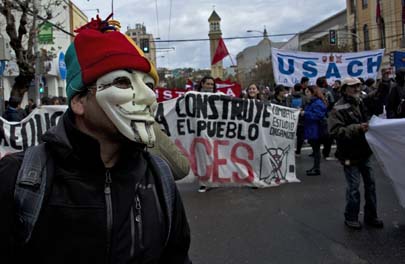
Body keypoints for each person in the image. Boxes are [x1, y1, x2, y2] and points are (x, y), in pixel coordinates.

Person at [0, 16, 191, 263]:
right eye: (123, 82)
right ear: (79, 102)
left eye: (148, 85)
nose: (147, 97)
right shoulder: (19, 179)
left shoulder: (158, 178)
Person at [328, 77, 383, 230]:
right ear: (345, 89)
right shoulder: (337, 108)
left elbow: (377, 97)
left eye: (358, 85)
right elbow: (335, 131)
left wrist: (384, 82)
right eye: (353, 86)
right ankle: (351, 217)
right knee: (354, 187)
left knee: (370, 185)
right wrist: (357, 128)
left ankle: (371, 216)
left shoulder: (361, 101)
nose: (357, 88)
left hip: (364, 152)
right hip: (348, 155)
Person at [302, 86, 327, 176]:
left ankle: (316, 168)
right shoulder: (312, 102)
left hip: (316, 129)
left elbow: (318, 115)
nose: (306, 94)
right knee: (315, 150)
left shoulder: (317, 103)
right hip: (312, 129)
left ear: (313, 92)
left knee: (316, 150)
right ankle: (315, 167)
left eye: (308, 92)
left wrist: (305, 113)